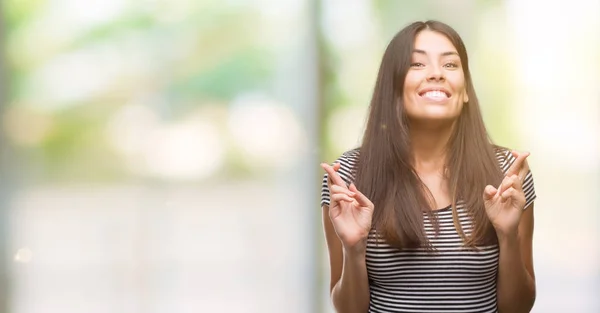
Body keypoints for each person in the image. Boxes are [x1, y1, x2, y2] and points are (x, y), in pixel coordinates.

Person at [319, 20, 537, 313]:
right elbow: (348, 310)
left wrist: (509, 237)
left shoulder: (506, 172)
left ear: (465, 90)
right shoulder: (348, 175)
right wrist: (354, 248)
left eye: (450, 65)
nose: (436, 74)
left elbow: (519, 308)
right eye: (417, 64)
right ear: (393, 85)